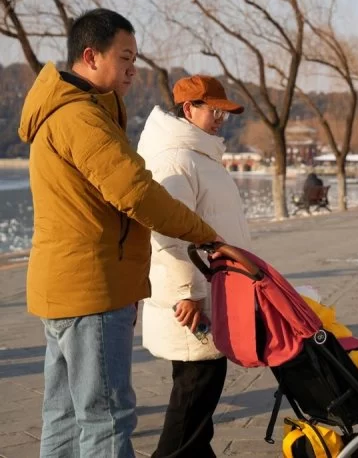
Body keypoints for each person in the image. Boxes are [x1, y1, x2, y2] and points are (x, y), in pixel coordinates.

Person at [17, 8, 220, 458]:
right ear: (91, 56)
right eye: (125, 58)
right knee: (107, 419)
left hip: (68, 287)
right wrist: (204, 234)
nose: (133, 70)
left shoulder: (76, 111)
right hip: (92, 289)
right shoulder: (79, 119)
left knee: (66, 416)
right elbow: (136, 192)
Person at [137, 76, 249, 457]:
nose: (221, 119)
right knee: (193, 393)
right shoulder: (176, 158)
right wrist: (188, 293)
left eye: (224, 112)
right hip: (193, 301)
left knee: (200, 394)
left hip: (214, 289)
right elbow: (168, 233)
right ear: (189, 109)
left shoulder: (199, 155)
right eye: (214, 110)